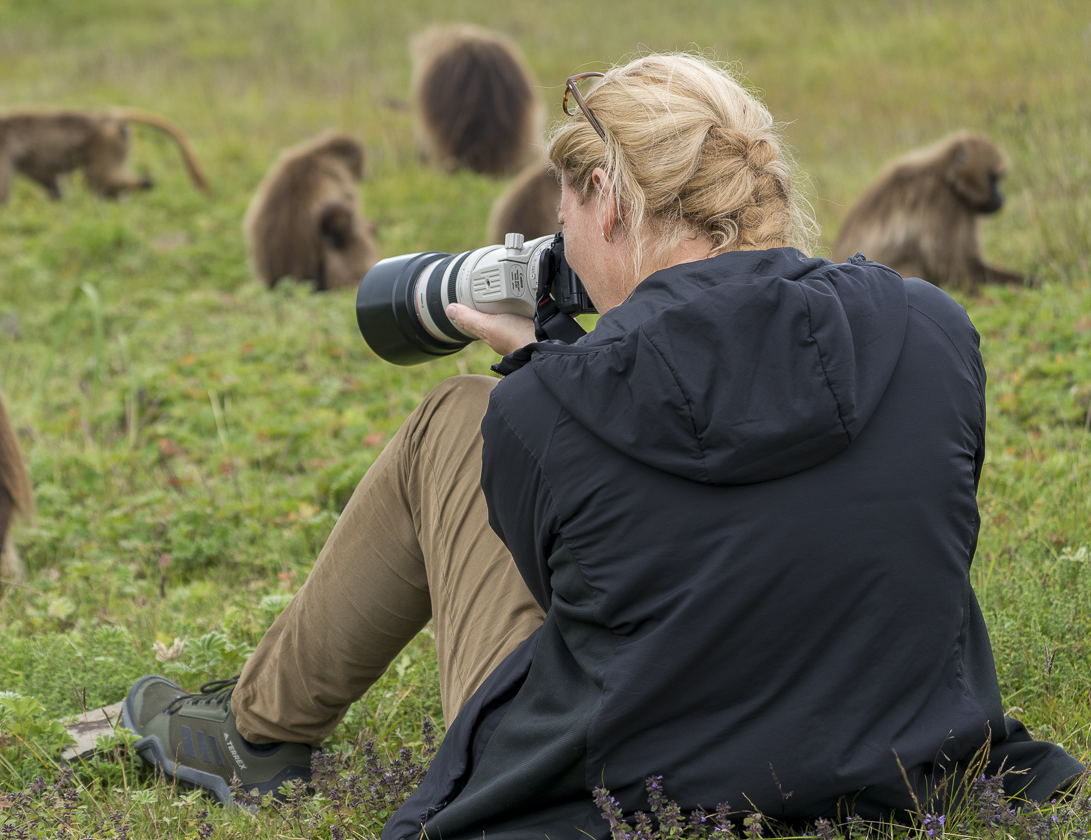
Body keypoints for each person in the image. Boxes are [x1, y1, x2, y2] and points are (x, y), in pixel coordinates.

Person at [121, 54, 1084, 838]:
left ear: (608, 202)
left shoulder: (547, 412)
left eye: (562, 215)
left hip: (628, 791)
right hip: (895, 756)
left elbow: (575, 589)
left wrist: (541, 379)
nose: (559, 241)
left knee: (450, 421)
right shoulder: (934, 328)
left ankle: (260, 732)